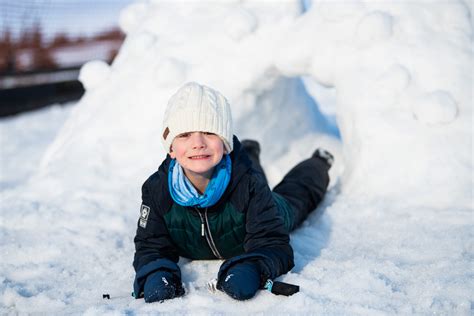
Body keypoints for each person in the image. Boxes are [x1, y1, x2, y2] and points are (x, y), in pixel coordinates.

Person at [133, 82, 333, 302]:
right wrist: (155, 273)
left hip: (262, 205)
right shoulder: (156, 189)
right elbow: (150, 244)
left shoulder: (249, 185)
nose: (198, 143)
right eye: (185, 135)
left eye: (209, 132)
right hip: (238, 177)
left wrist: (253, 267)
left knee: (296, 196)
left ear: (226, 143)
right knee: (247, 167)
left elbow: (272, 243)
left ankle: (319, 162)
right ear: (171, 148)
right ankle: (249, 151)